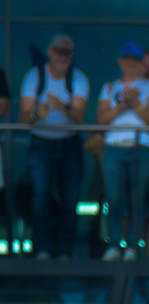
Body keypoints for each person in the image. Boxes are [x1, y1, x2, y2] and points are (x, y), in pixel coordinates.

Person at [20, 34, 89, 256]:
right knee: (40, 198)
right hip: (41, 142)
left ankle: (65, 252)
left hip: (69, 143)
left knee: (70, 199)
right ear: (49, 52)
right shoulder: (34, 76)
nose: (63, 57)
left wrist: (63, 108)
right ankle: (42, 249)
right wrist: (36, 114)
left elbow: (79, 118)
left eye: (68, 54)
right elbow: (22, 117)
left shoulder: (78, 78)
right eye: (59, 52)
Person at [96, 43, 149, 259]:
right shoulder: (108, 87)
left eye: (134, 60)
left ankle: (133, 246)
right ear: (119, 61)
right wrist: (121, 105)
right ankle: (114, 245)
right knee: (114, 199)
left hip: (142, 147)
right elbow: (101, 121)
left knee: (137, 200)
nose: (130, 63)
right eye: (126, 59)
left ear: (140, 63)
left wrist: (137, 103)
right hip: (113, 147)